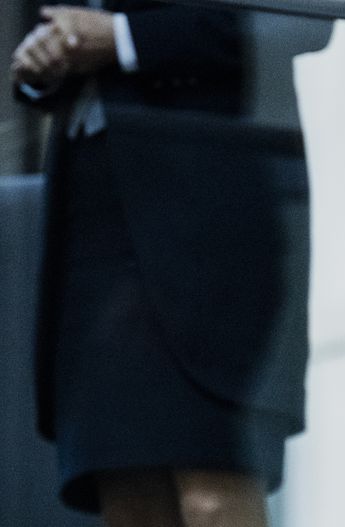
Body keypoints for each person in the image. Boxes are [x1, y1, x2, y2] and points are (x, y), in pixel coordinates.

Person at [11, 2, 310, 525]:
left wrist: (124, 36)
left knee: (211, 495)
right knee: (128, 499)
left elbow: (304, 19)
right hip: (91, 214)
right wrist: (44, 54)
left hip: (210, 208)